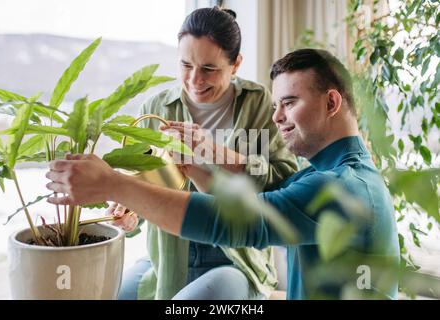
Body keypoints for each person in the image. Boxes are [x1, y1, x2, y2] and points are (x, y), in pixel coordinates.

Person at [45, 48, 400, 299]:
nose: (277, 118)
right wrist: (192, 167)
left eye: (289, 103)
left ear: (332, 103)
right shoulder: (326, 174)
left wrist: (113, 183)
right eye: (276, 105)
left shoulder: (343, 187)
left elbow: (239, 222)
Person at [80, 7, 297, 300]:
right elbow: (142, 190)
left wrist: (211, 151)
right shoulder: (156, 110)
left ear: (236, 65)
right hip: (169, 257)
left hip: (234, 257)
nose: (195, 80)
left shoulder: (258, 104)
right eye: (185, 65)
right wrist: (129, 215)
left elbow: (285, 182)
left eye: (209, 69)